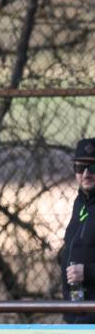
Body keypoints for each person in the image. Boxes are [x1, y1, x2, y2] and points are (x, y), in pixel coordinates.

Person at [61, 137, 95, 323]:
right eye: (80, 168)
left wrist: (88, 272)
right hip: (75, 313)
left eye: (93, 168)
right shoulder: (80, 202)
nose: (86, 174)